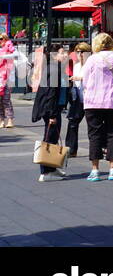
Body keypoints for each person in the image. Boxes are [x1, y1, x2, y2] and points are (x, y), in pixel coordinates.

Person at [81, 32, 113, 182]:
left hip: (93, 102)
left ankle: (95, 169)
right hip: (112, 101)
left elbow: (85, 81)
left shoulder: (91, 60)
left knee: (94, 134)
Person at [30, 46, 69, 182]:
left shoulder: (55, 68)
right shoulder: (54, 69)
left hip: (53, 108)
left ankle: (52, 168)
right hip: (51, 109)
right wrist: (52, 114)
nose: (65, 55)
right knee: (50, 138)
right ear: (53, 55)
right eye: (62, 53)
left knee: (52, 137)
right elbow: (51, 94)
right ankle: (46, 171)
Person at [66, 42, 90, 157]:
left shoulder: (91, 65)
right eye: (78, 51)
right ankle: (71, 149)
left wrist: (80, 78)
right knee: (72, 122)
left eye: (82, 51)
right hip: (78, 98)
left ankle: (99, 148)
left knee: (93, 126)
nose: (79, 54)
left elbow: (95, 78)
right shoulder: (76, 66)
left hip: (90, 98)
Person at [0, 32, 16, 127]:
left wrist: (4, 56)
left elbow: (16, 55)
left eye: (1, 39)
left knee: (6, 99)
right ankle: (1, 119)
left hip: (8, 78)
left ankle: (10, 119)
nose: (0, 41)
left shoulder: (11, 50)